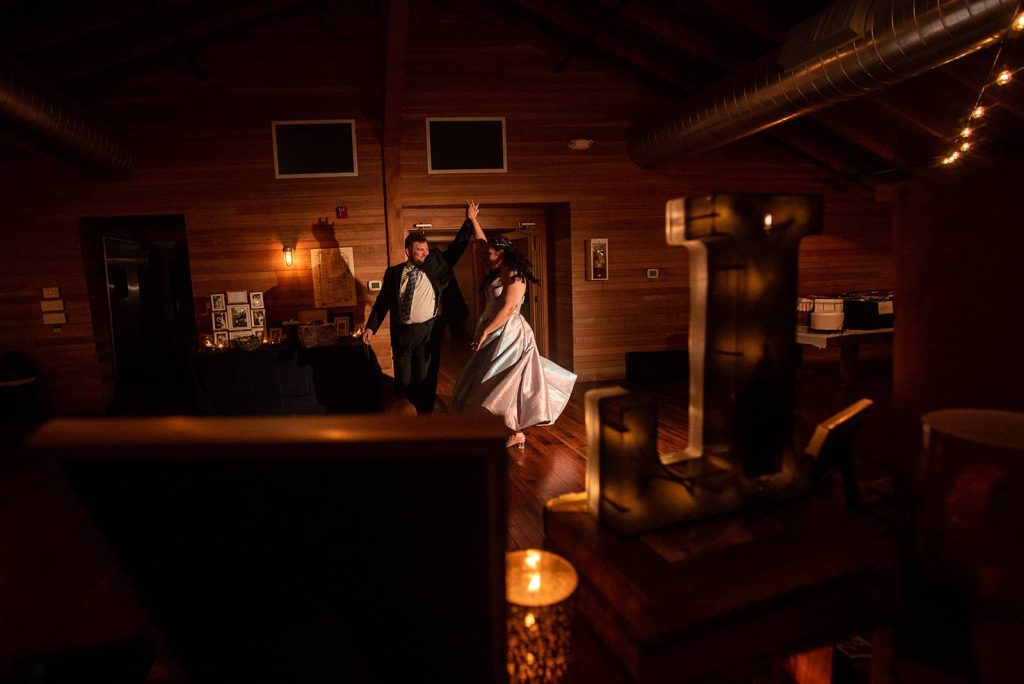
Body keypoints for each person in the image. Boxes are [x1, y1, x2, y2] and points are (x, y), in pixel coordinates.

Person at [448, 202, 577, 448]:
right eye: (485, 253)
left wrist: (485, 331)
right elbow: (481, 243)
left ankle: (515, 431)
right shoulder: (496, 269)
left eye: (489, 254)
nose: (485, 256)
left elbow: (507, 310)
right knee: (483, 378)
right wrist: (472, 220)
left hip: (508, 333)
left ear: (502, 254)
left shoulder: (515, 276)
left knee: (506, 380)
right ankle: (488, 425)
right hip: (490, 328)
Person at [362, 203, 475, 414]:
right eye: (419, 250)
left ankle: (424, 416)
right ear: (408, 251)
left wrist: (468, 223)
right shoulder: (393, 273)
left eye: (426, 249)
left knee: (425, 376)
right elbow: (383, 301)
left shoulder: (435, 264)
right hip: (402, 332)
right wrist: (371, 327)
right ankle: (406, 413)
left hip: (427, 331)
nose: (424, 253)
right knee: (404, 379)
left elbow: (456, 249)